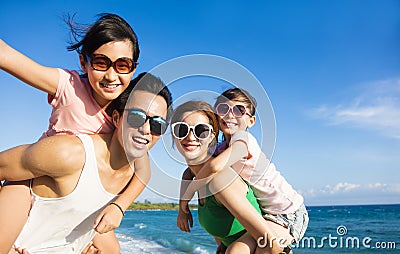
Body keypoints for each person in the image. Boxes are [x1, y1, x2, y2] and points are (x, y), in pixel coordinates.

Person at [0, 13, 144, 253]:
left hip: (74, 199)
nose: (111, 75)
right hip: (30, 181)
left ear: (133, 68)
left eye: (122, 65)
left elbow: (143, 169)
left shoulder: (126, 112)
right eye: (100, 62)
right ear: (83, 62)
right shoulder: (68, 85)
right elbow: (8, 57)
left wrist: (120, 206)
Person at [0, 72, 173, 253]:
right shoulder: (69, 154)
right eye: (137, 117)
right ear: (116, 118)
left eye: (157, 125)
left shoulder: (136, 171)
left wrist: (119, 208)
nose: (146, 130)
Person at [177, 88, 308, 253]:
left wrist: (188, 197)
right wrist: (182, 209)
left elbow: (214, 167)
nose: (230, 115)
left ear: (251, 121)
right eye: (223, 109)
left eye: (239, 110)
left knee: (253, 249)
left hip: (288, 212)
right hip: (265, 213)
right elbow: (189, 173)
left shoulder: (243, 140)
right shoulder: (221, 148)